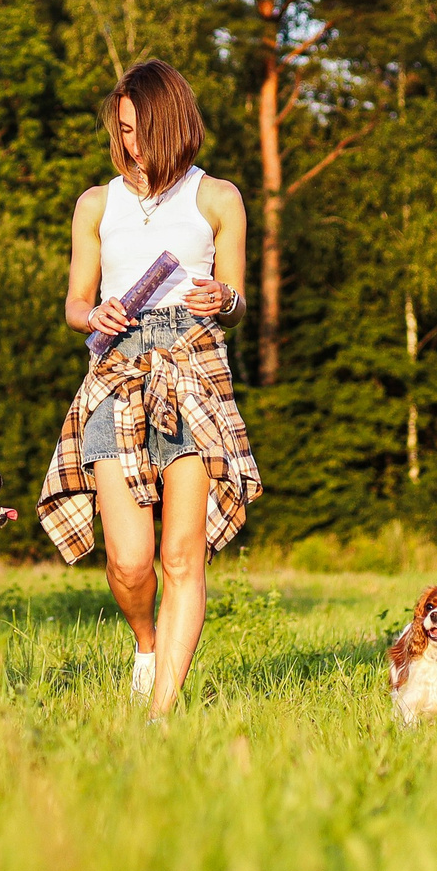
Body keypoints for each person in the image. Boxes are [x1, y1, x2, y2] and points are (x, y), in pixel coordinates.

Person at [35, 61, 262, 717]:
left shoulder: (218, 198)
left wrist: (224, 296)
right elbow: (76, 303)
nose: (130, 142)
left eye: (138, 128)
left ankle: (160, 717)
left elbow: (237, 300)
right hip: (115, 375)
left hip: (191, 371)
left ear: (169, 122)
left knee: (180, 557)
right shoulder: (96, 204)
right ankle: (146, 643)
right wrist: (93, 314)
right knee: (130, 564)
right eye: (122, 130)